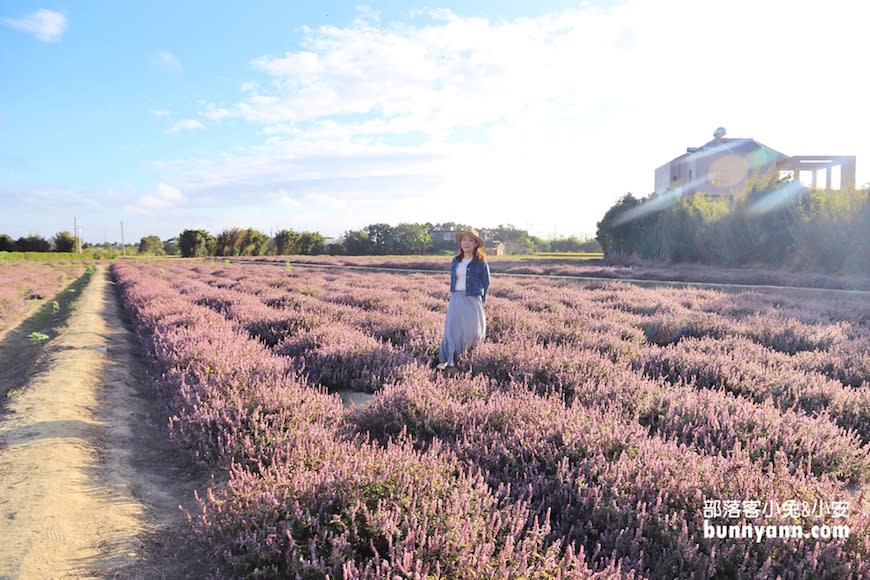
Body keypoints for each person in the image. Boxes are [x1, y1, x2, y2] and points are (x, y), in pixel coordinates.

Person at [436, 229, 490, 370]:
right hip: (456, 297)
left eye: (470, 240)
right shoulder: (455, 260)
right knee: (452, 329)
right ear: (460, 243)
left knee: (471, 330)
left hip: (472, 298)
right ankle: (448, 359)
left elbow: (486, 282)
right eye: (464, 240)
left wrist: (480, 299)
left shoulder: (481, 262)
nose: (466, 243)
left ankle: (469, 357)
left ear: (475, 244)